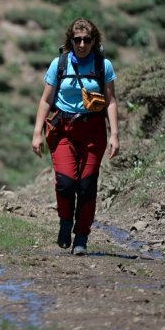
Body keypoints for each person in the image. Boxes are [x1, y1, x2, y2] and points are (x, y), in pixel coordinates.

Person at [31, 18, 119, 256]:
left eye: (87, 39)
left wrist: (115, 135)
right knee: (66, 182)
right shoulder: (59, 64)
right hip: (63, 131)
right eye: (77, 39)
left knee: (87, 185)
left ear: (94, 40)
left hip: (93, 131)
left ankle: (81, 237)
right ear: (70, 40)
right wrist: (37, 133)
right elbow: (46, 100)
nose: (82, 44)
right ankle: (65, 222)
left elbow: (110, 101)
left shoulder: (103, 66)